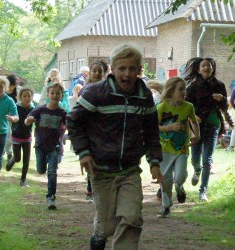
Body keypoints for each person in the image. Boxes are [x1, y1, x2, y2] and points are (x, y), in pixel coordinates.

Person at [66, 44, 164, 249]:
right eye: (122, 68)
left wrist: (154, 161)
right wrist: (83, 152)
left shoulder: (144, 96)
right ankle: (100, 232)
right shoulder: (96, 93)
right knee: (108, 226)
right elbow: (74, 122)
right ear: (112, 69)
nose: (126, 73)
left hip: (129, 169)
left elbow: (152, 131)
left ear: (139, 71)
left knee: (132, 218)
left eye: (131, 69)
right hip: (100, 169)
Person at [184, 57, 229, 202]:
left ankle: (203, 191)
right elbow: (187, 105)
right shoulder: (192, 86)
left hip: (213, 123)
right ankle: (196, 171)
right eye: (203, 66)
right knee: (195, 158)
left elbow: (225, 107)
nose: (206, 68)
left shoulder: (219, 85)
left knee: (207, 159)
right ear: (198, 69)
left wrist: (222, 99)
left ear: (212, 68)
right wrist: (194, 116)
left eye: (208, 66)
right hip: (196, 125)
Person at [156, 76, 200, 218]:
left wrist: (197, 135)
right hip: (164, 149)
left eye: (184, 89)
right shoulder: (162, 107)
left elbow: (194, 121)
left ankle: (179, 187)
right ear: (171, 91)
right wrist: (169, 127)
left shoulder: (188, 107)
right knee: (165, 180)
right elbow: (153, 128)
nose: (183, 92)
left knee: (180, 175)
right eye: (180, 89)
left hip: (181, 148)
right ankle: (166, 206)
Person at [25, 83, 67, 209]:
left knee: (52, 172)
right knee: (41, 170)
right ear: (48, 95)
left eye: (58, 93)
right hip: (40, 146)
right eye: (52, 93)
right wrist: (29, 120)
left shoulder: (62, 113)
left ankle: (51, 197)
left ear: (61, 96)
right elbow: (27, 120)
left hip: (54, 147)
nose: (55, 95)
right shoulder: (40, 109)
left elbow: (70, 125)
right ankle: (43, 170)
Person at [77, 61, 106, 201]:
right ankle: (90, 188)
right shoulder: (85, 89)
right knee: (91, 157)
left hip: (102, 129)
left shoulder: (107, 88)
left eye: (100, 71)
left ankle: (99, 188)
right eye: (95, 71)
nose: (97, 74)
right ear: (90, 73)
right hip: (89, 128)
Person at [6, 88, 35, 187]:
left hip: (27, 137)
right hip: (16, 136)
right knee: (18, 158)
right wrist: (11, 119)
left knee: (26, 159)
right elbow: (12, 117)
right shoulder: (16, 107)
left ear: (32, 97)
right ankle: (12, 160)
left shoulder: (33, 109)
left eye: (29, 96)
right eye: (24, 96)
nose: (27, 98)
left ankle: (23, 180)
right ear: (20, 97)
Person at [5, 75, 20, 159]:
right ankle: (8, 152)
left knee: (12, 135)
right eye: (10, 86)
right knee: (7, 134)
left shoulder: (17, 92)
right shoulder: (2, 91)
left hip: (15, 116)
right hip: (4, 116)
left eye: (13, 86)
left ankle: (10, 152)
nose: (11, 88)